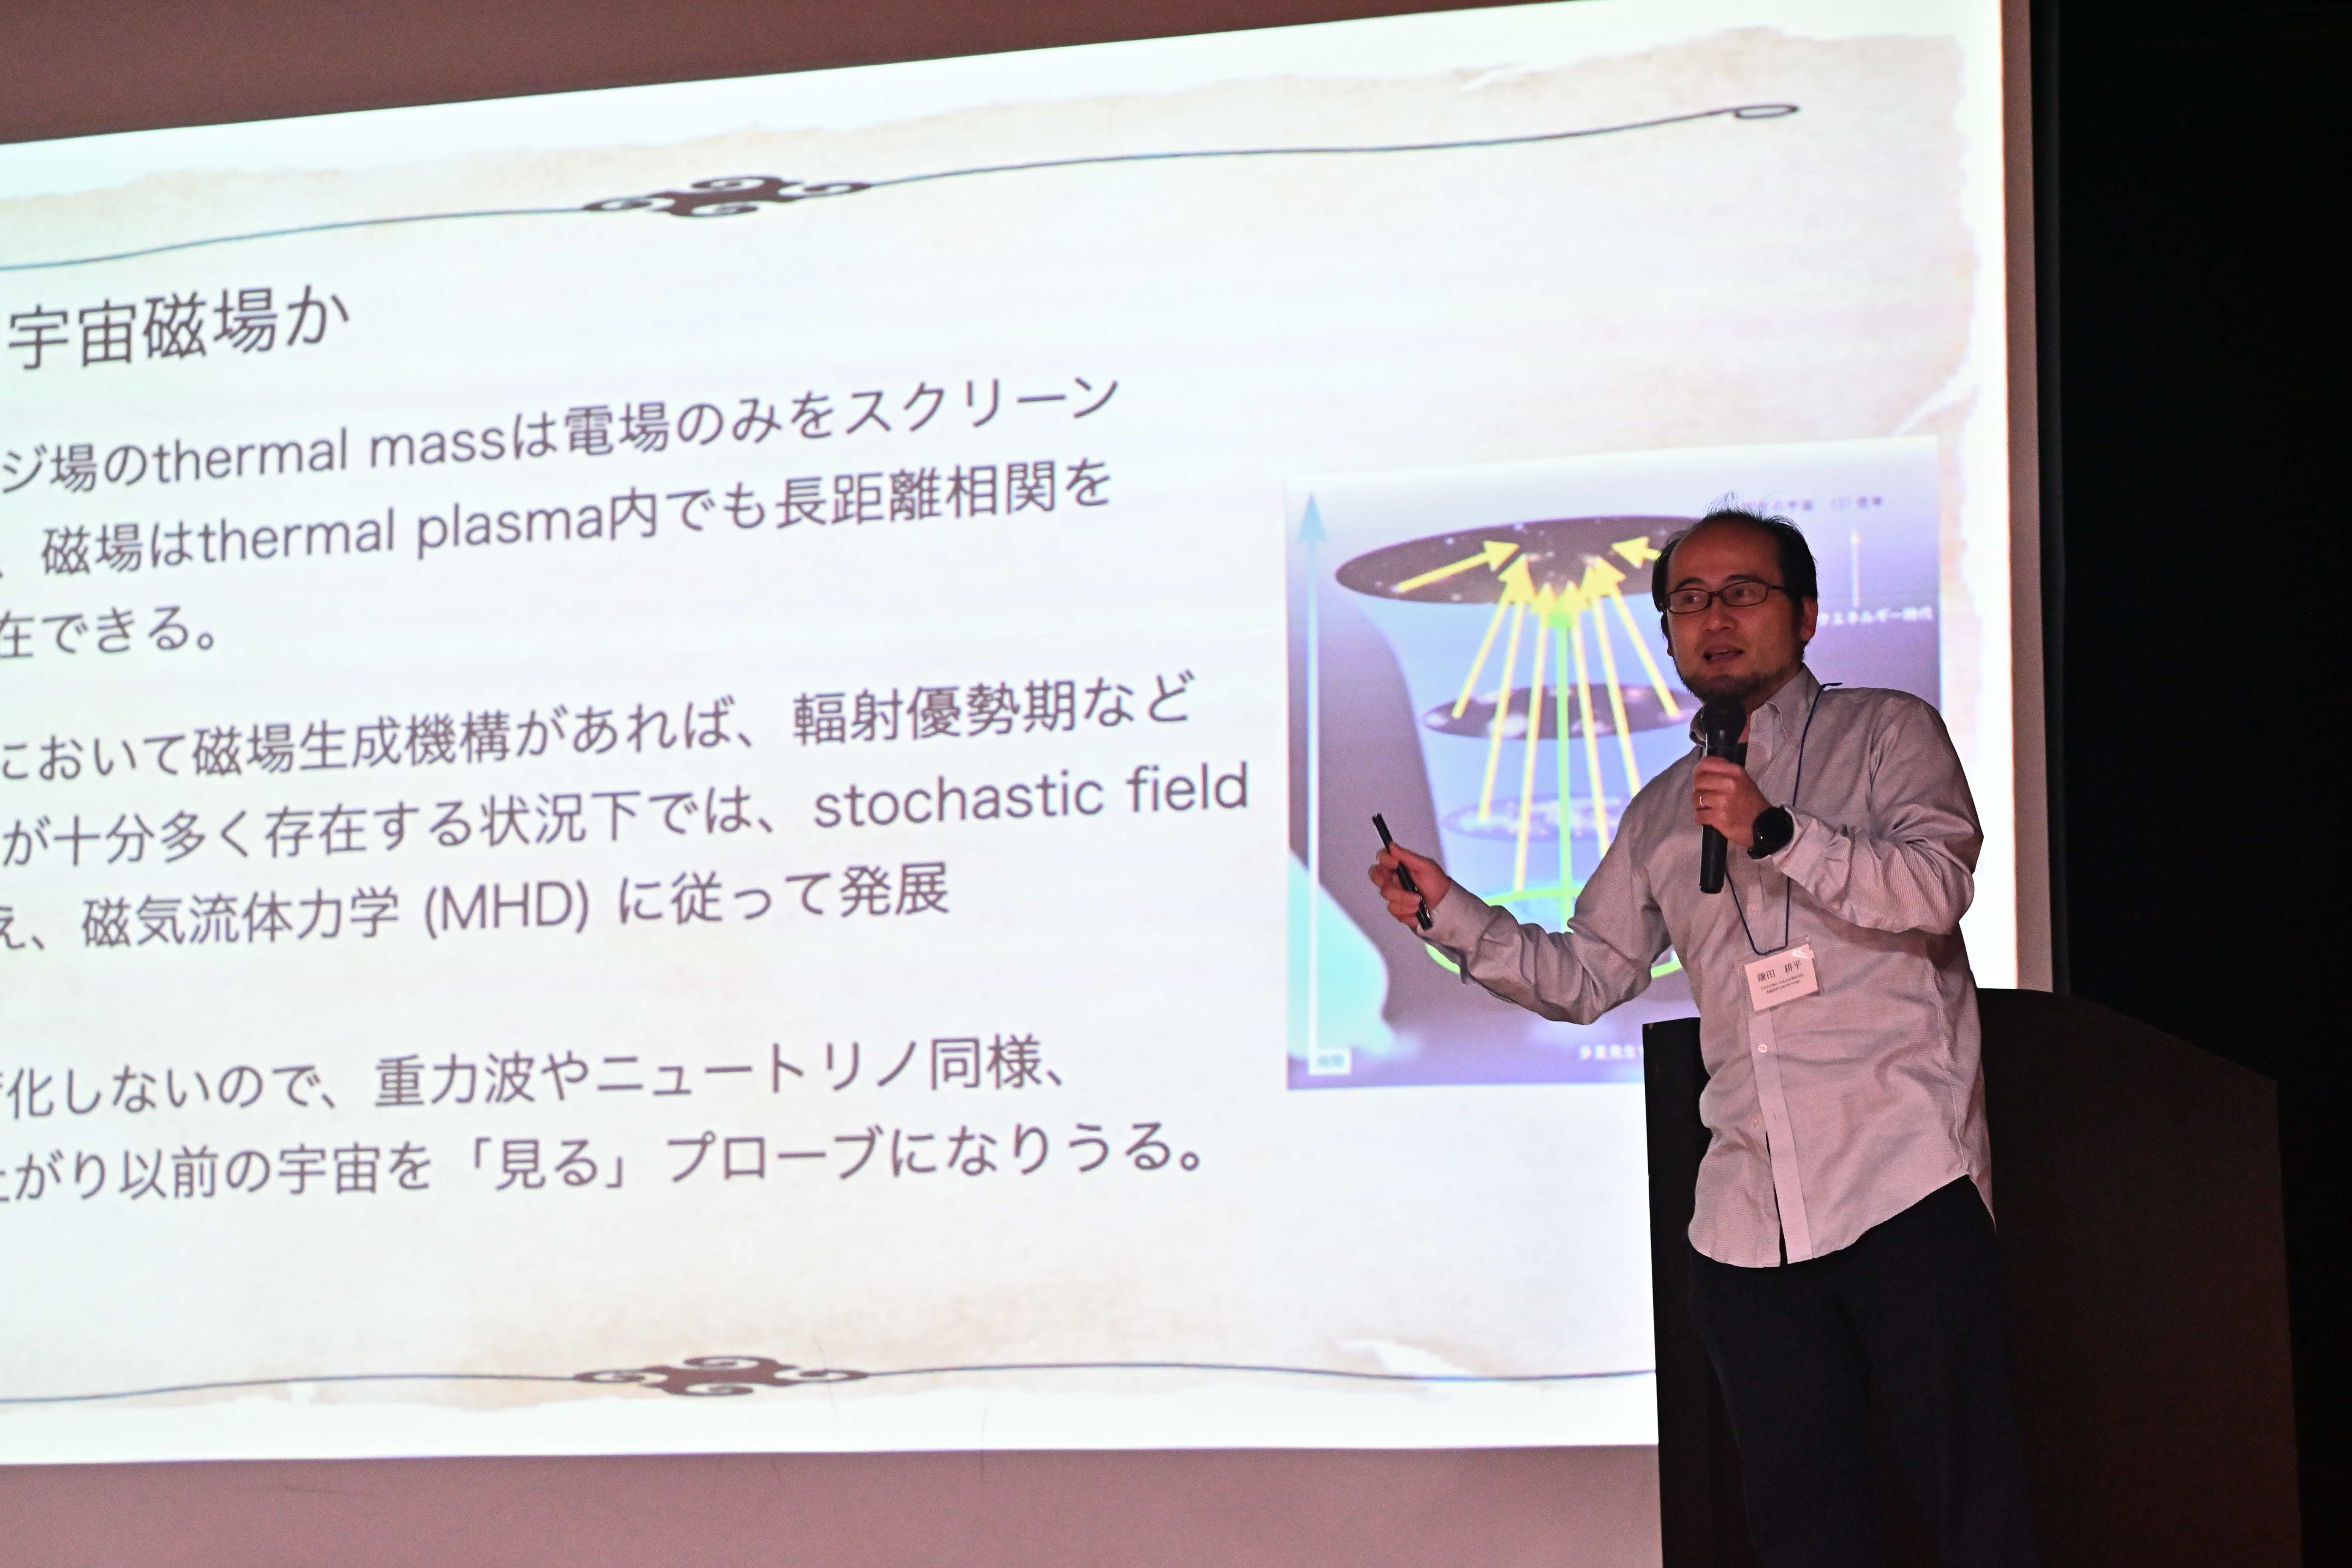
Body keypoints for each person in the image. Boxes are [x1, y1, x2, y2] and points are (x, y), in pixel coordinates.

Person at [1369, 505, 2036, 1567]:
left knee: (1976, 1518)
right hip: (1746, 1224)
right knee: (1802, 1534)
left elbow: (1933, 886)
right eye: (1688, 601)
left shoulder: (1887, 731)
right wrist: (1450, 912)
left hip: (1905, 1183)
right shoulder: (1660, 812)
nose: (1713, 618)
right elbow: (1588, 974)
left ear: (1805, 614)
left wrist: (1776, 830)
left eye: (1741, 593)